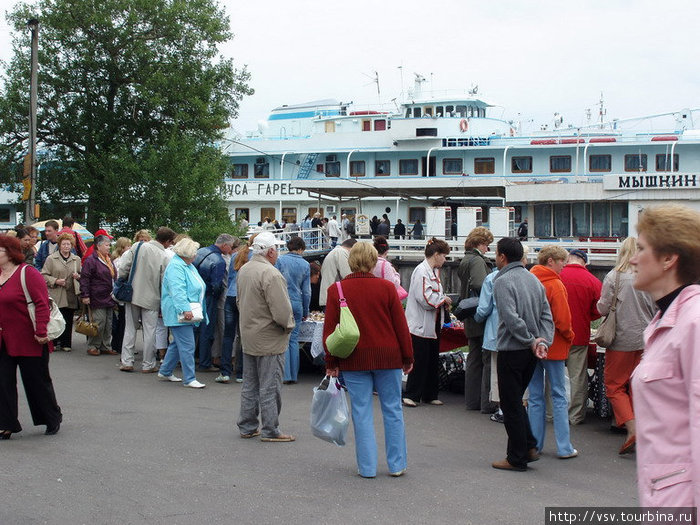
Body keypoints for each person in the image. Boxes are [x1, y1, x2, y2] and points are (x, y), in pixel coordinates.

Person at [324, 242, 414, 478]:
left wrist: (331, 362)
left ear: (350, 261)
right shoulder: (387, 288)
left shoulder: (337, 290)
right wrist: (407, 356)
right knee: (393, 409)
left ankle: (367, 467)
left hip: (354, 359)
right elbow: (401, 326)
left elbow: (330, 331)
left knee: (361, 412)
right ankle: (397, 465)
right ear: (374, 261)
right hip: (389, 357)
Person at [630, 204, 700, 507]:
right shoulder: (667, 321)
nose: (632, 259)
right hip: (665, 494)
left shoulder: (694, 321)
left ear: (669, 259)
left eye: (641, 248)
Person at [491, 237, 553, 472]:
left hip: (513, 348)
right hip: (532, 350)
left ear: (503, 257)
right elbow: (547, 315)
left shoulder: (503, 280)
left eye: (496, 254)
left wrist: (529, 340)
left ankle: (517, 456)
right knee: (516, 400)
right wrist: (542, 341)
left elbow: (510, 318)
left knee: (510, 404)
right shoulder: (533, 279)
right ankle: (528, 445)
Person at [0, 235, 63, 439]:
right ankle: (5, 424)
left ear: (10, 253)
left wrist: (41, 332)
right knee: (3, 383)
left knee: (36, 381)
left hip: (31, 339)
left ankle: (51, 417)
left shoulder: (28, 273)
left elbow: (42, 303)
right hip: (3, 340)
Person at [597, 237, 655, 454]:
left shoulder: (614, 277)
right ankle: (643, 426)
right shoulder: (649, 276)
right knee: (637, 385)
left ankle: (632, 428)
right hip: (647, 338)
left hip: (622, 339)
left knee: (614, 385)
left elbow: (603, 308)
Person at [236, 231, 296, 442]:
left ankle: (248, 425)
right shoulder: (271, 274)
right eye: (277, 248)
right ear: (271, 251)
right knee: (270, 385)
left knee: (250, 384)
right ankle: (271, 429)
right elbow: (281, 310)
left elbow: (239, 302)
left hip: (249, 333)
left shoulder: (244, 270)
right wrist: (288, 327)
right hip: (269, 337)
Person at [528, 246, 577, 459]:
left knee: (535, 396)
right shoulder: (555, 284)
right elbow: (563, 320)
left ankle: (535, 444)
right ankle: (564, 446)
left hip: (531, 343)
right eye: (562, 261)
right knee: (558, 394)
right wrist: (569, 335)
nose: (564, 265)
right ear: (551, 261)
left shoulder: (530, 279)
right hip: (554, 344)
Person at [118, 227, 176, 372]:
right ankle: (148, 364)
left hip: (132, 294)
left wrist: (123, 280)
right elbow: (165, 282)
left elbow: (124, 267)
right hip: (152, 298)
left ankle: (127, 361)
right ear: (167, 241)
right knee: (150, 331)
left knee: (130, 328)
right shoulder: (165, 256)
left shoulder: (138, 246)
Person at [403, 238, 452, 407]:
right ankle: (411, 394)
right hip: (419, 324)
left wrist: (441, 300)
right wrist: (443, 299)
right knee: (420, 360)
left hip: (433, 324)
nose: (445, 260)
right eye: (444, 256)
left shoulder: (433, 272)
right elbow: (424, 298)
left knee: (432, 359)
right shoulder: (421, 271)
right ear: (436, 255)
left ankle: (430, 394)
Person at [157, 237, 208, 389]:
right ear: (187, 253)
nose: (196, 255)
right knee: (187, 345)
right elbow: (177, 291)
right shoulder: (177, 267)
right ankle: (189, 378)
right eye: (194, 253)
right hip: (180, 313)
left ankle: (165, 371)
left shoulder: (184, 264)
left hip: (184, 311)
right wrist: (185, 309)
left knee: (178, 344)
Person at [560, 249, 602, 426]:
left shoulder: (557, 274)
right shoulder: (593, 281)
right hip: (580, 334)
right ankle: (576, 415)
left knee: (551, 376)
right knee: (578, 376)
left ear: (568, 259)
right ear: (584, 262)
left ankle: (549, 412)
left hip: (555, 335)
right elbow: (599, 310)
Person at [458, 226, 496, 413]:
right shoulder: (478, 261)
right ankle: (486, 402)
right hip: (479, 314)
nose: (487, 249)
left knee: (473, 359)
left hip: (469, 314)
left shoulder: (466, 259)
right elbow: (481, 284)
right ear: (479, 243)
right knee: (485, 358)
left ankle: (472, 400)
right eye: (486, 244)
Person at [193, 234, 236, 372]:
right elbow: (217, 285)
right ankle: (205, 363)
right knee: (207, 330)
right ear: (225, 246)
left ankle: (189, 358)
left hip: (194, 294)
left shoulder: (200, 251)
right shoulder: (219, 261)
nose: (230, 250)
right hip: (208, 297)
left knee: (193, 329)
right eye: (230, 247)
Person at [276, 236, 311, 384]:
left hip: (282, 301)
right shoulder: (305, 264)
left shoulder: (280, 260)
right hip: (297, 303)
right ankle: (293, 376)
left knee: (283, 337)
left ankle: (284, 374)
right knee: (294, 339)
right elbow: (307, 291)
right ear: (301, 249)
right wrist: (306, 311)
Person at [220, 236, 254, 384]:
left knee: (228, 336)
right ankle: (240, 373)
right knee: (243, 336)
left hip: (230, 296)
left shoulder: (235, 255)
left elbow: (230, 278)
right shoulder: (255, 257)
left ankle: (225, 372)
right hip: (244, 297)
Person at [41, 233, 82, 352]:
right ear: (59, 245)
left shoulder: (76, 259)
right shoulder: (51, 258)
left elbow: (82, 275)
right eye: (64, 244)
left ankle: (66, 343)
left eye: (68, 244)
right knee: (55, 318)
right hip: (56, 293)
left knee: (68, 319)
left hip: (70, 294)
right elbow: (43, 275)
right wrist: (56, 281)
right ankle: (53, 342)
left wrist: (78, 276)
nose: (66, 246)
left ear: (72, 245)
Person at [79, 235, 118, 357]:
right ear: (99, 246)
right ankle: (93, 345)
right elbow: (85, 279)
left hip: (109, 295)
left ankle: (105, 346)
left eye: (109, 245)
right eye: (106, 245)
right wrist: (85, 295)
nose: (109, 247)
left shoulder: (108, 259)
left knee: (108, 323)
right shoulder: (91, 260)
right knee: (98, 322)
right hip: (97, 295)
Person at [110, 237, 133, 355]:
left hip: (121, 293)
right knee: (123, 321)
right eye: (128, 246)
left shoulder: (117, 260)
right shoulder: (119, 261)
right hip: (122, 293)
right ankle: (118, 345)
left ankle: (119, 345)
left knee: (123, 320)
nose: (130, 248)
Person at [319, 238, 356, 308]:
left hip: (328, 297)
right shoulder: (341, 252)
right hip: (334, 299)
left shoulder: (334, 252)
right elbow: (348, 276)